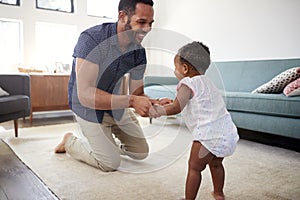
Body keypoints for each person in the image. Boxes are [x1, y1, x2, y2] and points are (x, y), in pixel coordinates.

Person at [54, 0, 155, 172]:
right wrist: (131, 101)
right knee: (109, 163)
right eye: (141, 22)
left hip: (115, 104)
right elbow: (85, 94)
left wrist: (154, 103)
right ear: (123, 17)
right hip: (86, 106)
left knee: (141, 152)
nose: (147, 29)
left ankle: (108, 145)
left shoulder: (138, 52)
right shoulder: (92, 39)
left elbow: (138, 93)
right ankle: (70, 141)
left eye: (150, 23)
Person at [149, 41, 239, 200]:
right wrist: (171, 102)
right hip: (225, 133)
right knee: (216, 164)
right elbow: (194, 102)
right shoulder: (208, 83)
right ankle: (219, 193)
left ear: (184, 68)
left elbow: (177, 108)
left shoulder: (187, 83)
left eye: (175, 67)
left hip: (206, 136)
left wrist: (157, 110)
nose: (175, 71)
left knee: (194, 168)